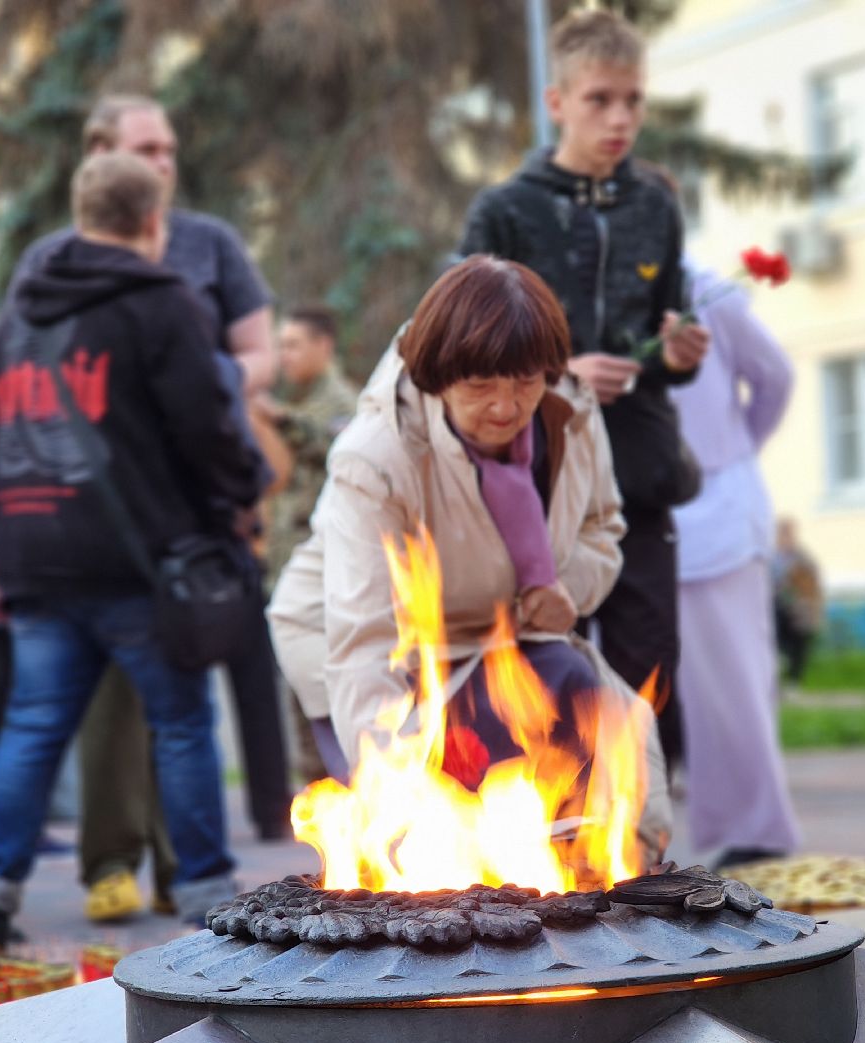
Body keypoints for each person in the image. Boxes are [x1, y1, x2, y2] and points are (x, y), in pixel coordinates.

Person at [0, 152, 264, 956]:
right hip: (136, 559)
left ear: (82, 218)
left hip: (33, 546)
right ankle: (206, 908)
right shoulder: (163, 304)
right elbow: (207, 424)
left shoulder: (21, 315)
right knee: (183, 723)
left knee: (32, 724)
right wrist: (242, 490)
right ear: (154, 223)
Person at [268, 255, 671, 850]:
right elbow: (364, 644)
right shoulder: (376, 458)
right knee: (438, 844)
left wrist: (570, 591)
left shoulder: (572, 413)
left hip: (503, 640)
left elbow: (601, 526)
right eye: (480, 386)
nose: (507, 408)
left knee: (596, 765)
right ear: (437, 377)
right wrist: (402, 790)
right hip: (371, 650)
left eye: (526, 383)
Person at [12, 94, 289, 922]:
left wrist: (200, 382)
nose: (164, 162)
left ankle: (186, 868)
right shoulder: (53, 255)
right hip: (94, 507)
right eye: (146, 148)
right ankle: (109, 860)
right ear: (100, 156)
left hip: (191, 504)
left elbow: (259, 353)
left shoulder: (210, 243)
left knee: (184, 689)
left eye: (169, 146)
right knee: (112, 703)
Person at [459, 10, 710, 766]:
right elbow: (466, 340)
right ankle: (545, 843)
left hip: (638, 466)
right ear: (557, 102)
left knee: (647, 664)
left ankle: (641, 848)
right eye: (600, 99)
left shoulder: (656, 204)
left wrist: (680, 349)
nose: (621, 118)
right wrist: (564, 372)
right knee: (542, 664)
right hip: (533, 470)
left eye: (633, 100)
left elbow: (674, 326)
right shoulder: (505, 209)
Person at [668, 257, 800, 869]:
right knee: (667, 685)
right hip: (640, 509)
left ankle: (758, 832)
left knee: (734, 681)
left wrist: (734, 450)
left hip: (719, 510)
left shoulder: (710, 293)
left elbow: (773, 377)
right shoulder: (589, 285)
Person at [257, 305, 358, 586]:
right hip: (288, 553)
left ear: (323, 345)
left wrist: (280, 418)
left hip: (321, 560)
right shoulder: (303, 399)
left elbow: (331, 446)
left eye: (293, 346)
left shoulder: (343, 404)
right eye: (280, 347)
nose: (283, 356)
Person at [772, 519, 824, 687]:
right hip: (777, 607)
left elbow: (812, 584)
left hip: (799, 609)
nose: (784, 537)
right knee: (775, 643)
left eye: (787, 533)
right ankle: (776, 680)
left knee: (798, 645)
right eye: (781, 533)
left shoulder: (803, 557)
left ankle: (794, 681)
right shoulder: (772, 558)